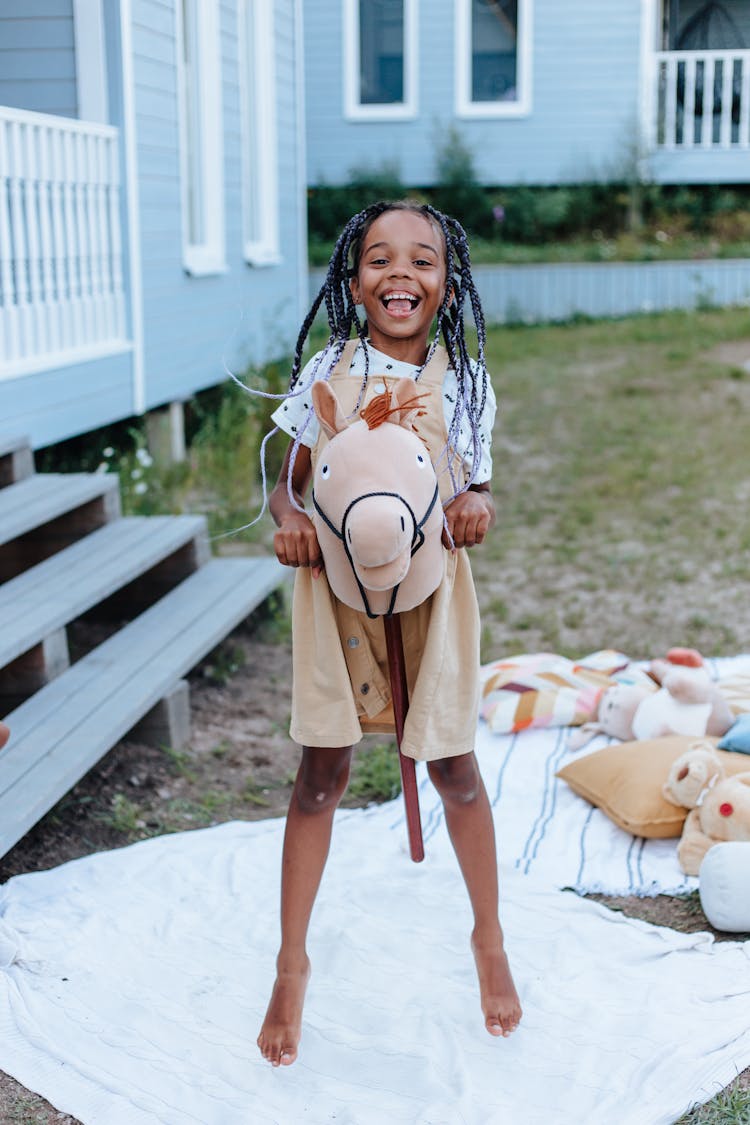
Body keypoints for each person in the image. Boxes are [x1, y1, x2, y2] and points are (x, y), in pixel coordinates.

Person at [257, 200, 522, 1067]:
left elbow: (474, 486)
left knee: (455, 768)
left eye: (421, 261)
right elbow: (287, 483)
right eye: (378, 259)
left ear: (449, 284)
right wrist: (289, 518)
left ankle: (488, 935)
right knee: (322, 772)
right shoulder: (328, 371)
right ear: (352, 276)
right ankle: (292, 960)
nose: (399, 274)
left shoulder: (466, 381)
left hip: (431, 591)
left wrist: (476, 502)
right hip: (334, 597)